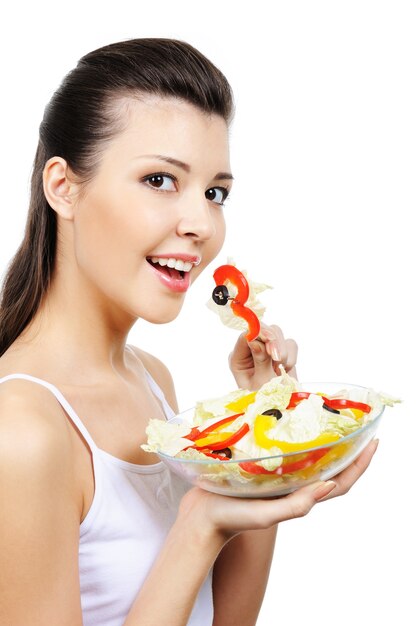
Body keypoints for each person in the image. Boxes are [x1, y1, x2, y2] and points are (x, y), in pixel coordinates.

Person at [0, 38, 378, 626]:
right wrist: (198, 526)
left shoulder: (151, 378)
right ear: (63, 187)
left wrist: (265, 436)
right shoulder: (21, 429)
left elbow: (224, 619)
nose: (201, 222)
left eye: (214, 192)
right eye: (159, 180)